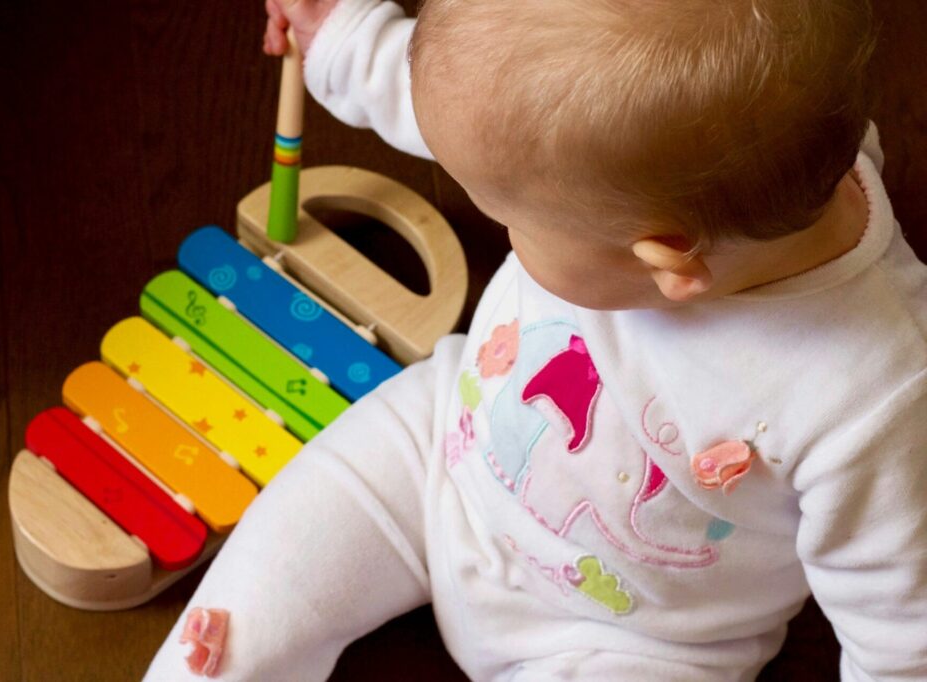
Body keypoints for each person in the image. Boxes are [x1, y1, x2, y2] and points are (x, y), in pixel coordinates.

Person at [146, 0, 927, 679]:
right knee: (251, 603)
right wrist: (345, 37)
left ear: (665, 262)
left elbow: (903, 636)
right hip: (438, 456)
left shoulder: (876, 401)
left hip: (631, 639)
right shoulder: (752, 149)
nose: (507, 228)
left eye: (514, 219)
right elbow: (492, 107)